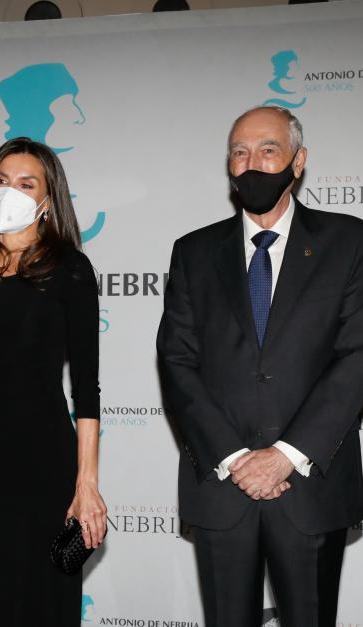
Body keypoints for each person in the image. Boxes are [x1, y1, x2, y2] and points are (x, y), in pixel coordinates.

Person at [157, 106, 363, 627]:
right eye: (239, 152)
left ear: (299, 161)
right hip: (221, 487)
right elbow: (177, 361)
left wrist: (286, 456)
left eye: (268, 150)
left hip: (311, 486)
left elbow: (357, 355)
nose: (252, 164)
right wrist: (234, 458)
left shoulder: (350, 243)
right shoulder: (193, 252)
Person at [0, 137, 105, 627]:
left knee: (43, 603)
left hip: (44, 463)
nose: (10, 191)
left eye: (26, 183)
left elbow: (87, 390)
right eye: (1, 181)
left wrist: (86, 483)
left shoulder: (69, 269)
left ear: (48, 200)